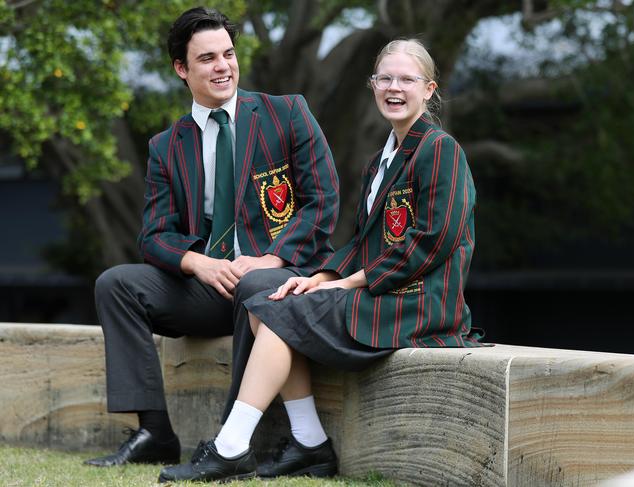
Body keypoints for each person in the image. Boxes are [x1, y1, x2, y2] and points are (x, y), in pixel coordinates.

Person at [158, 38, 484, 483]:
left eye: (406, 80)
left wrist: (345, 285)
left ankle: (233, 446)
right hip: (382, 291)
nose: (394, 87)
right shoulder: (383, 158)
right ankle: (309, 442)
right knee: (274, 303)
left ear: (428, 89)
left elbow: (432, 241)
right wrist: (320, 277)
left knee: (275, 314)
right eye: (384, 78)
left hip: (420, 302)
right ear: (372, 86)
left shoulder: (440, 148)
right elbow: (365, 243)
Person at [84, 7, 339, 467]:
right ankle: (155, 433)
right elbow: (154, 235)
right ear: (181, 69)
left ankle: (229, 444)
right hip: (211, 286)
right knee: (115, 283)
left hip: (275, 282)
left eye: (228, 53)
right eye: (207, 58)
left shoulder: (287, 114)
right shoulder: (167, 145)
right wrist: (195, 263)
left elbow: (322, 202)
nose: (223, 66)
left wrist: (273, 259)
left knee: (260, 286)